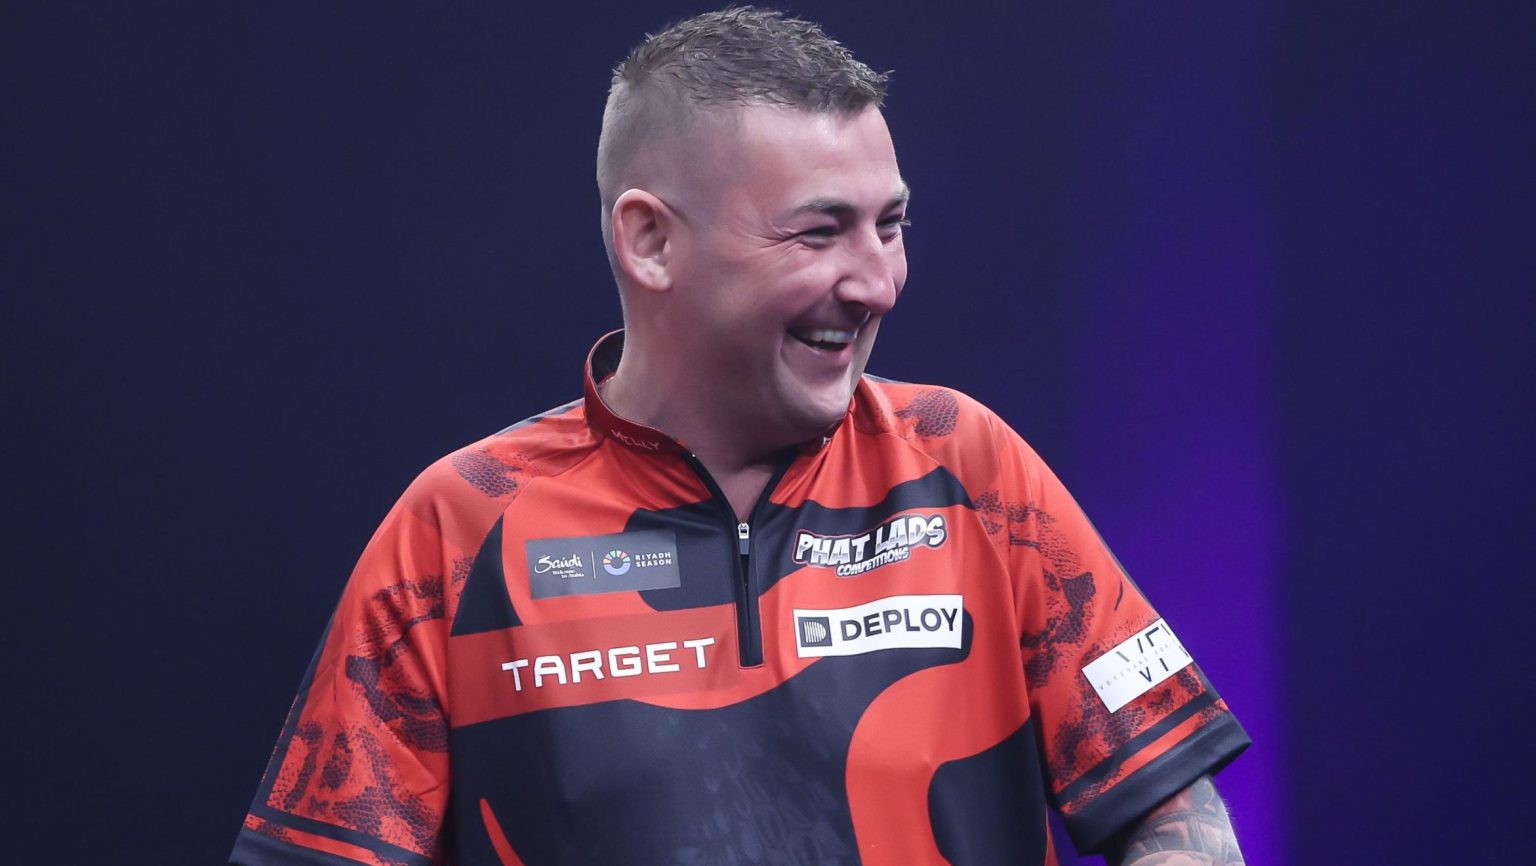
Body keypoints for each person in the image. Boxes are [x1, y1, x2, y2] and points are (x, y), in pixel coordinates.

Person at [231, 8, 1249, 866]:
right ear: (650, 240)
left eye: (890, 225)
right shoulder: (458, 530)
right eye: (819, 231)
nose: (878, 281)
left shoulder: (969, 464)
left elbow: (1173, 808)